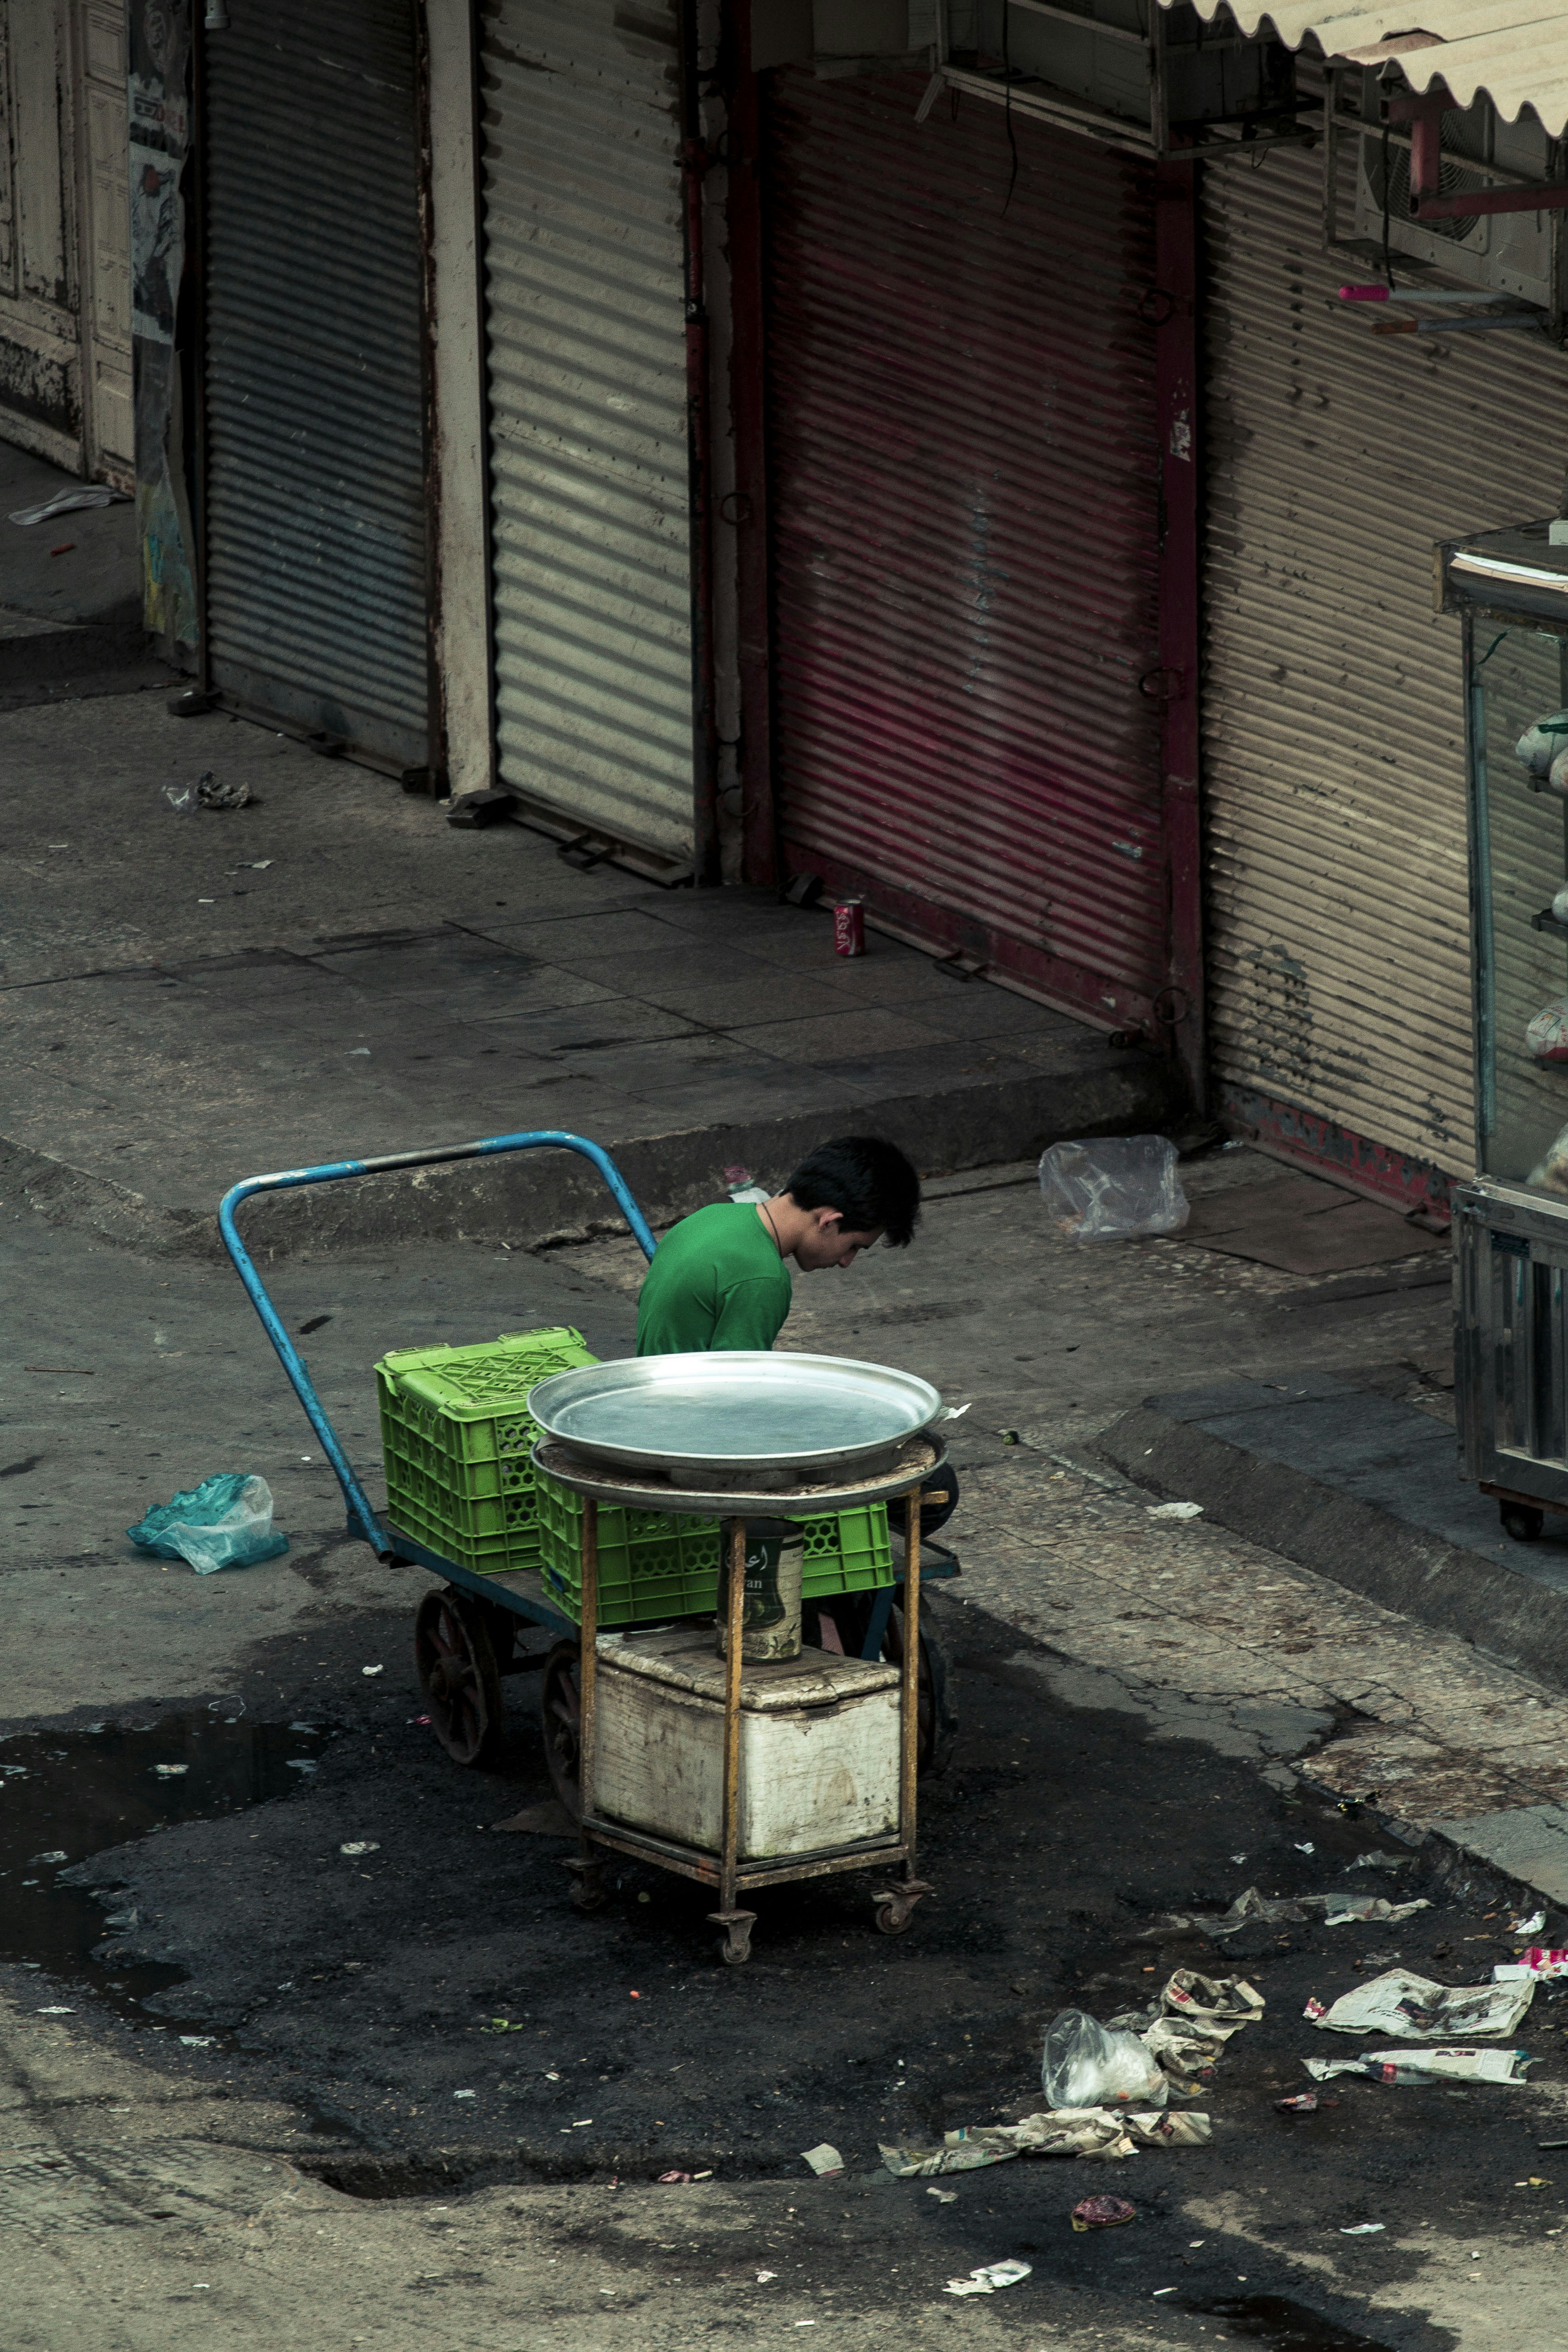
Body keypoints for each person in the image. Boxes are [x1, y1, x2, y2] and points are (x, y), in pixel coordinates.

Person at [634, 1134, 957, 1550]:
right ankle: (828, 1605)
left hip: (654, 1412)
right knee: (932, 1485)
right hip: (687, 1447)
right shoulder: (763, 1277)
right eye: (853, 1246)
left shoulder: (714, 1218)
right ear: (829, 1220)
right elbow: (736, 1406)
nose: (846, 1262)